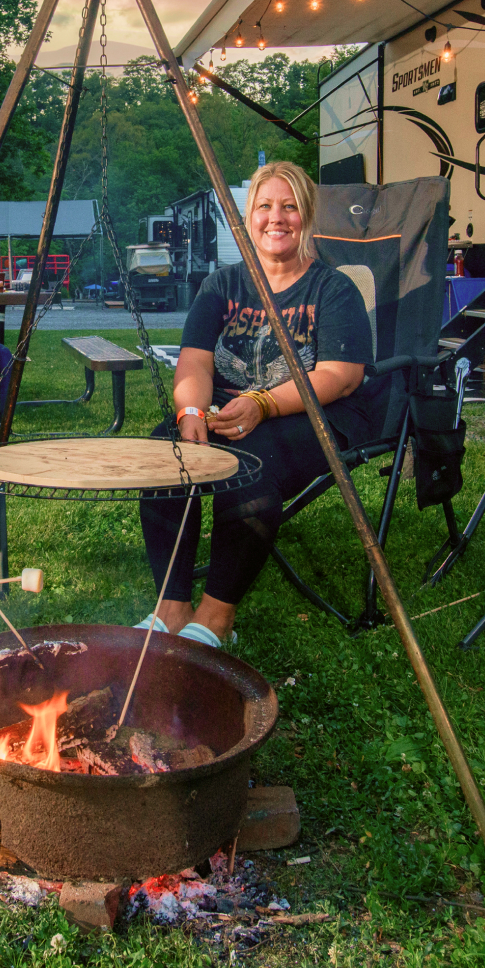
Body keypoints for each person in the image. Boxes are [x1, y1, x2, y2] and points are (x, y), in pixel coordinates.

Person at [137, 160, 379, 647]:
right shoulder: (222, 285)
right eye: (265, 206)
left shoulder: (332, 289)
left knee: (248, 467)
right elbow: (196, 364)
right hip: (225, 409)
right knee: (163, 456)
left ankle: (215, 616)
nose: (277, 218)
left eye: (289, 207)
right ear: (248, 218)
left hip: (313, 414)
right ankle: (171, 607)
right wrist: (189, 413)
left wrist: (263, 405)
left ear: (306, 217)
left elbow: (341, 375)